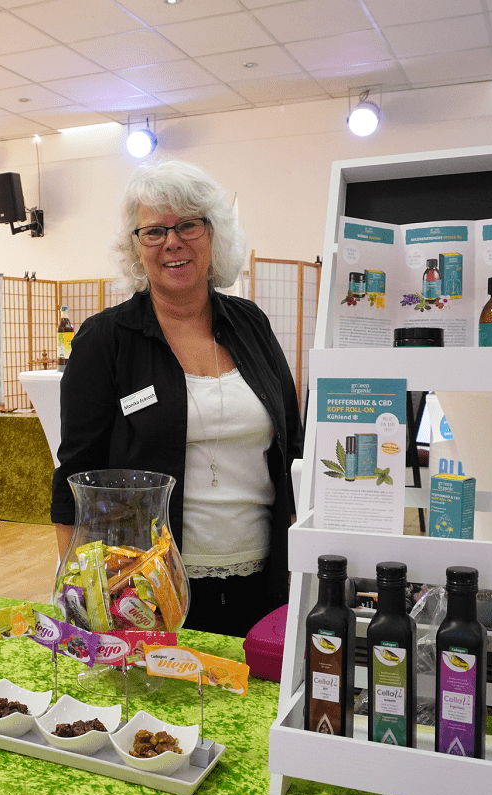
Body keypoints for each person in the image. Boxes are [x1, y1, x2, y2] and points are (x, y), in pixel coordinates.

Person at [51, 161, 303, 638]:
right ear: (135, 247)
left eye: (188, 224)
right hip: (146, 591)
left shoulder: (251, 324)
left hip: (266, 579)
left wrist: (301, 559)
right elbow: (75, 476)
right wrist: (80, 592)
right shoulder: (105, 340)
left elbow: (293, 449)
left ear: (213, 234)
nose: (172, 242)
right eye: (154, 231)